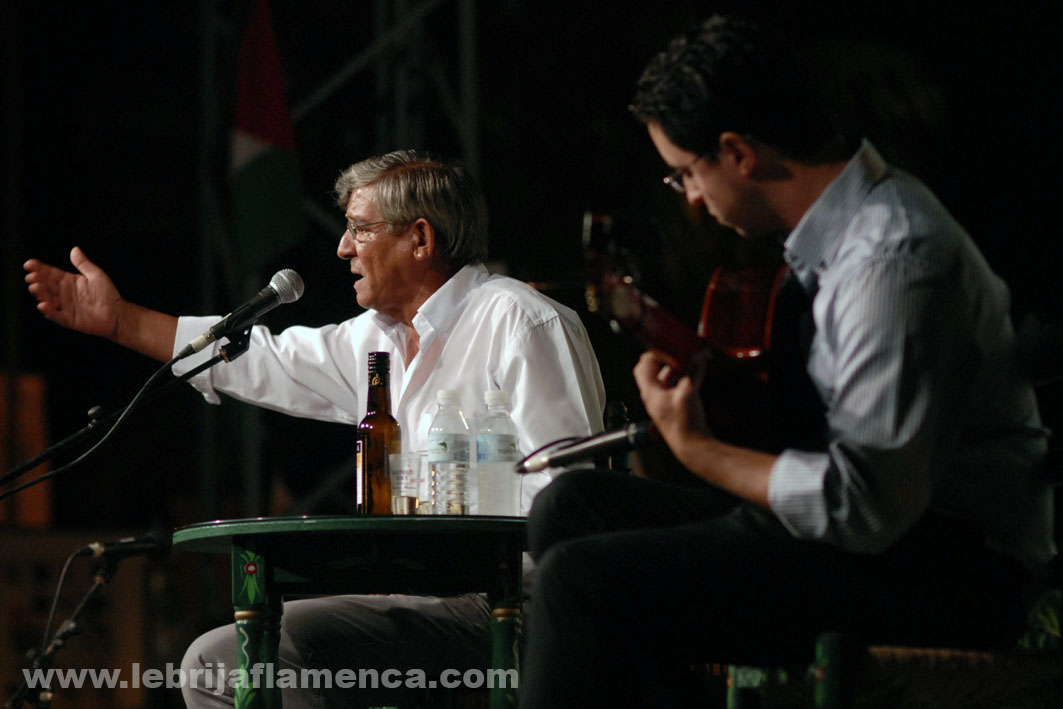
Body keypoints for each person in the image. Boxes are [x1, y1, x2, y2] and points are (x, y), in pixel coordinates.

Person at [518, 15, 1054, 709]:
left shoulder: (890, 258)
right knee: (572, 506)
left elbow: (861, 505)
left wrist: (695, 446)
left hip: (948, 566)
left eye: (686, 173)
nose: (689, 199)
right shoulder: (833, 240)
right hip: (881, 537)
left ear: (737, 151)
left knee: (579, 580)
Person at [24, 150, 606, 707]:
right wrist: (120, 321)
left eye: (360, 228)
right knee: (215, 662)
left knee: (252, 658)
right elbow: (258, 360)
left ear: (421, 239)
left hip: (510, 602)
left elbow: (565, 500)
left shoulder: (521, 323)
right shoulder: (375, 337)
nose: (343, 246)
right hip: (423, 593)